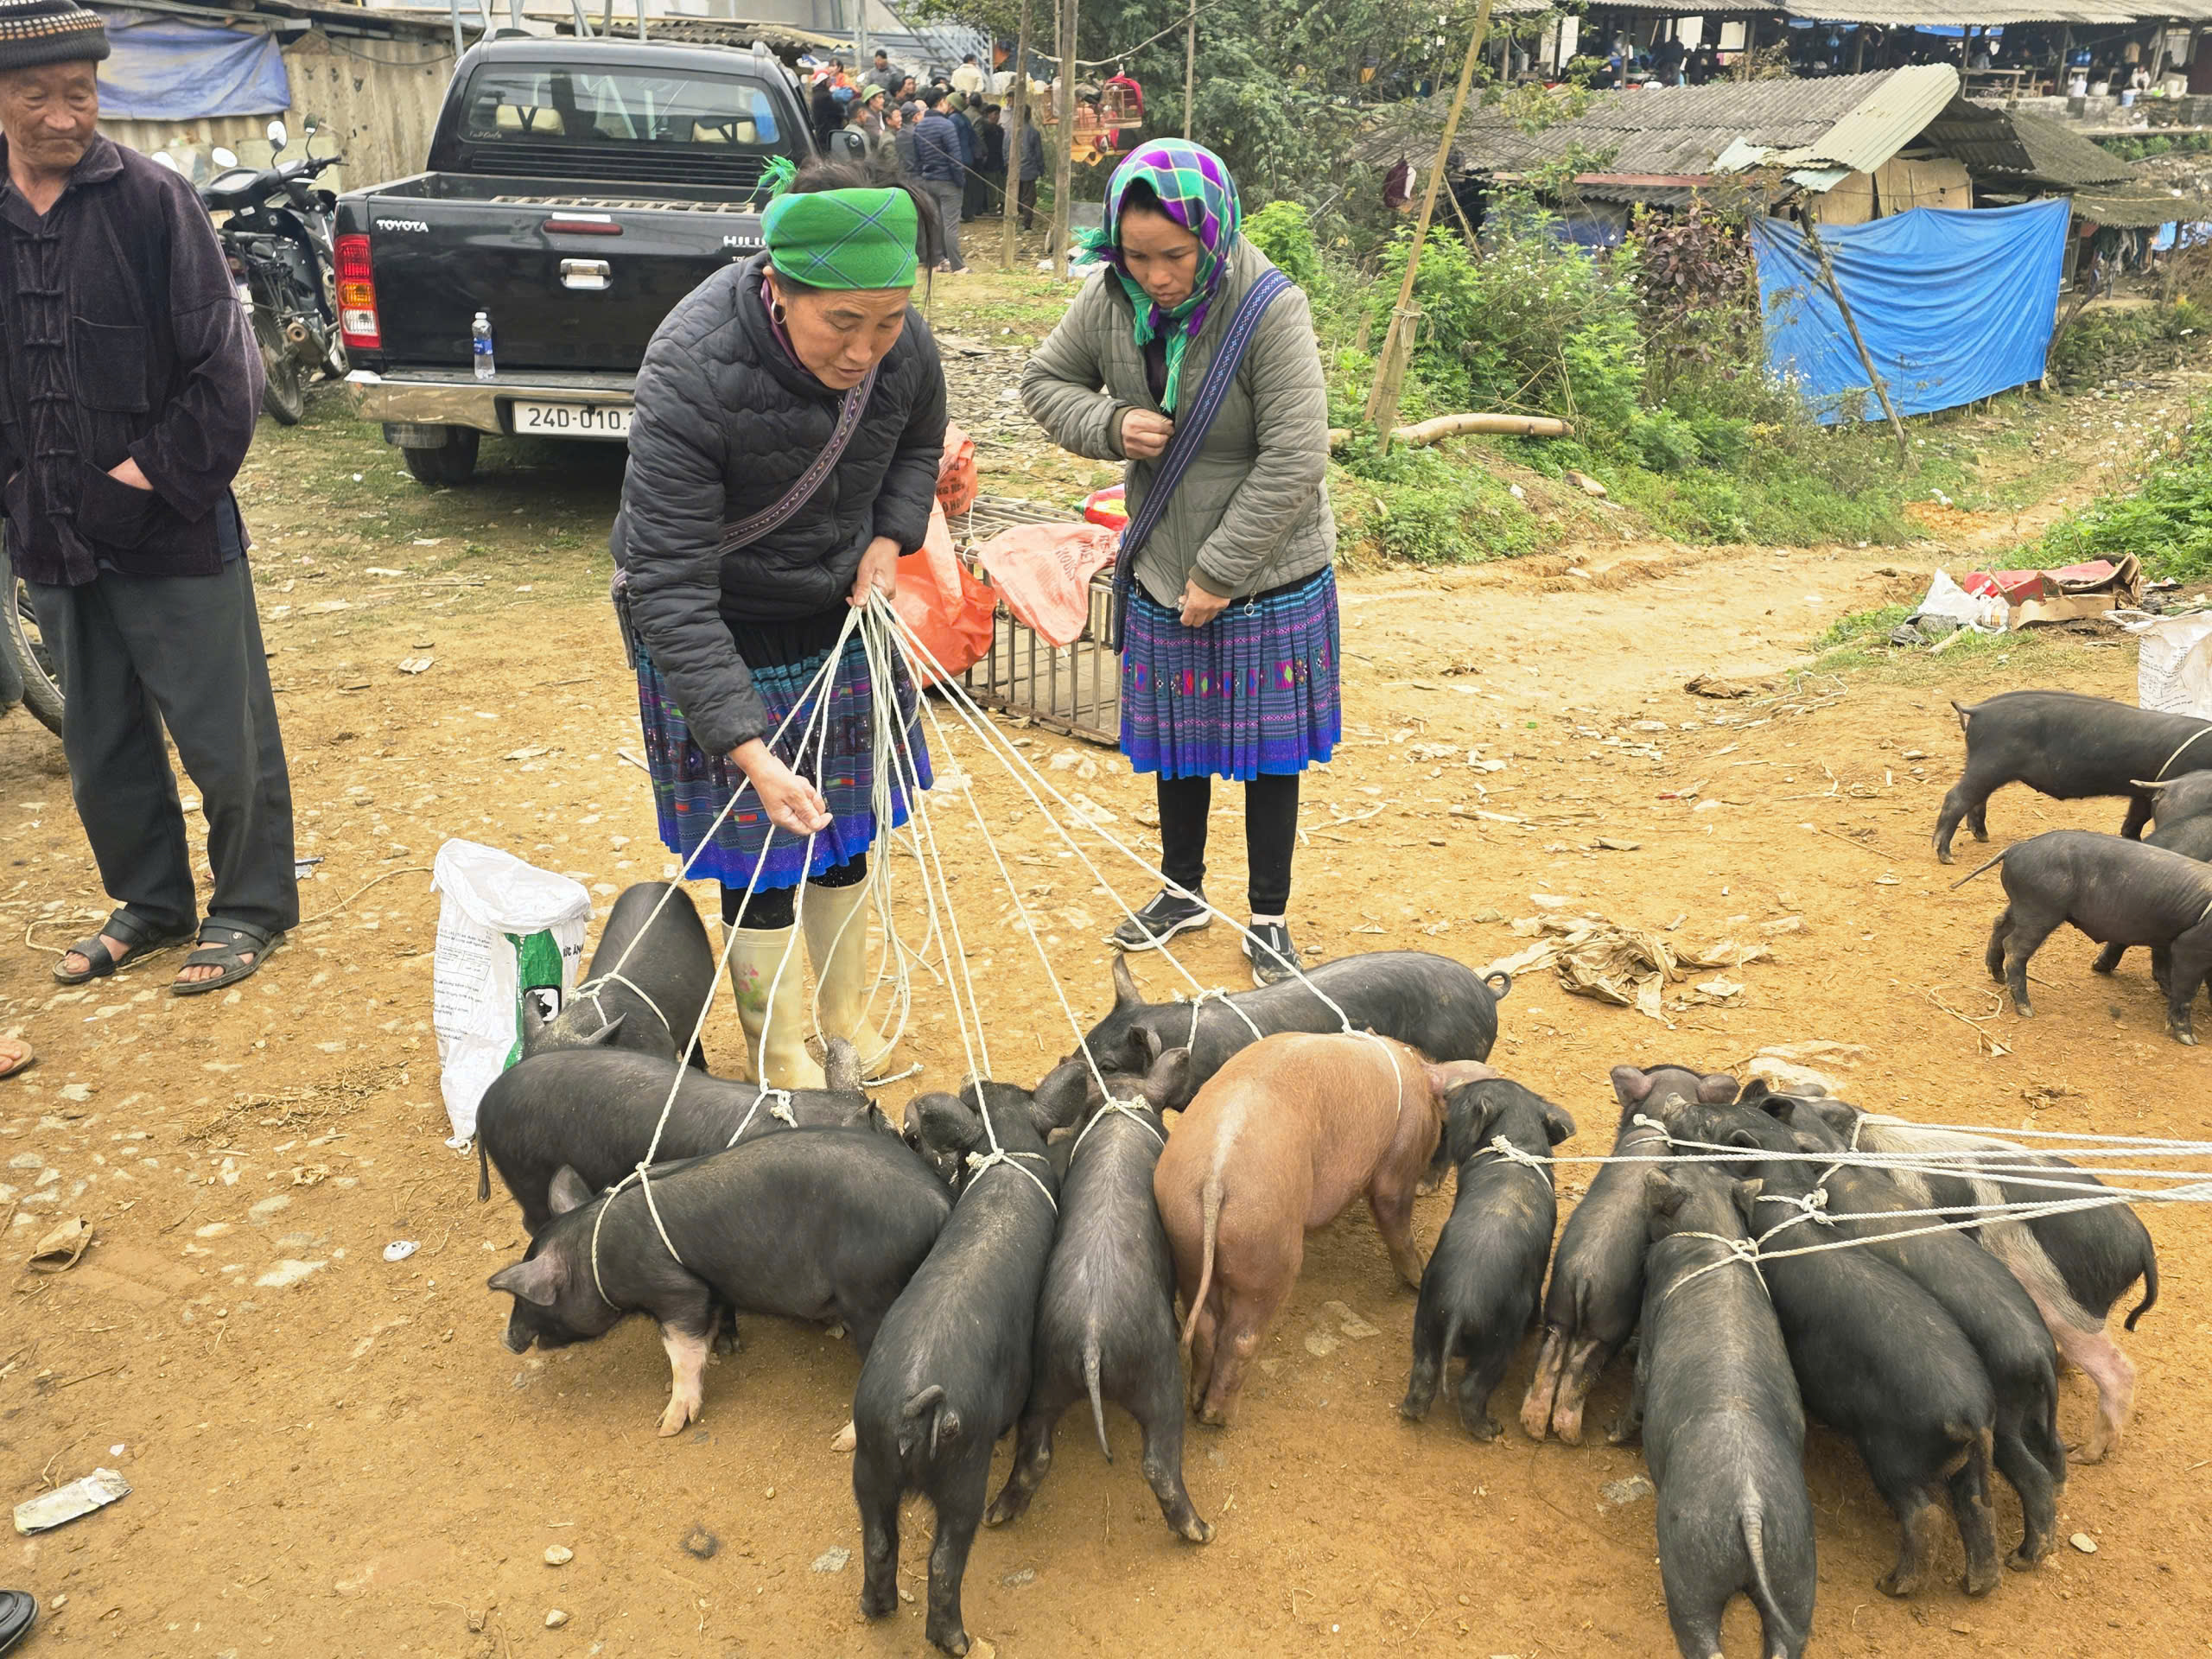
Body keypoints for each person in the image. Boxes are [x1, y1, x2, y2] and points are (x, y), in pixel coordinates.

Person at [613, 156, 945, 1087]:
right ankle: (777, 1043)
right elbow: (669, 584)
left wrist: (890, 535)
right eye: (842, 323)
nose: (865, 348)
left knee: (844, 833)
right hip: (730, 625)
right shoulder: (689, 369)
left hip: (836, 619)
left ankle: (842, 1022)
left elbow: (919, 436)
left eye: (887, 322)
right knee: (761, 853)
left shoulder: (899, 345)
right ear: (778, 286)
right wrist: (747, 752)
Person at [0, 0, 296, 997]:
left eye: (78, 95)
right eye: (35, 96)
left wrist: (146, 478)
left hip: (170, 525)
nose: (60, 116)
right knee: (101, 742)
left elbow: (227, 369)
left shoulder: (153, 200)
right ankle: (151, 903)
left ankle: (250, 906)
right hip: (48, 527)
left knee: (225, 733)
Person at [1021, 140, 1338, 985]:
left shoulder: (1269, 309)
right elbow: (1045, 382)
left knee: (1270, 755)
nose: (1156, 276)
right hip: (1163, 559)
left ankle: (1267, 917)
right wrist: (1109, 425)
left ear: (1213, 232)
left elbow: (1296, 455)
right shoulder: (1109, 299)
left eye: (1174, 255)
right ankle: (1182, 892)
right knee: (1179, 743)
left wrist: (1222, 571)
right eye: (1136, 256)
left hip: (1267, 568)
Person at [912, 89, 967, 271]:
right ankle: (958, 266)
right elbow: (955, 158)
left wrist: (923, 178)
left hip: (929, 181)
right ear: (942, 102)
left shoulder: (919, 127)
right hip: (948, 182)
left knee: (935, 224)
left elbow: (917, 159)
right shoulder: (947, 125)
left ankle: (937, 262)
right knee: (950, 225)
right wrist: (960, 181)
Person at [971, 103, 1006, 219]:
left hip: (997, 161)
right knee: (991, 186)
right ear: (988, 115)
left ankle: (998, 206)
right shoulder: (984, 127)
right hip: (987, 161)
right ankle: (991, 208)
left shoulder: (999, 130)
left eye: (998, 114)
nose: (997, 117)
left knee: (998, 184)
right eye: (995, 114)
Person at [1016, 106, 1045, 228]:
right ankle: (1026, 223)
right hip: (1029, 170)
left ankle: (1015, 220)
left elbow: (1005, 149)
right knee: (1028, 198)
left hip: (1014, 170)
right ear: (1029, 116)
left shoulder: (1010, 131)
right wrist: (1041, 168)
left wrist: (1006, 164)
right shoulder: (1034, 133)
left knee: (1016, 195)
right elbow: (1038, 154)